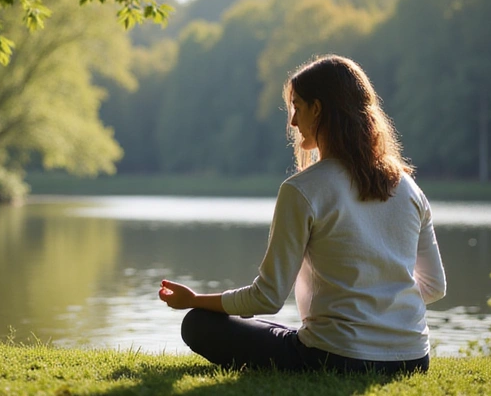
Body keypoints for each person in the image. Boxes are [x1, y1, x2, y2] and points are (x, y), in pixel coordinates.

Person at [158, 54, 446, 374]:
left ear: (317, 109)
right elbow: (435, 286)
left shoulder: (303, 189)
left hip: (336, 358)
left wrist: (194, 300)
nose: (293, 122)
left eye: (296, 107)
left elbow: (267, 297)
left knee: (198, 323)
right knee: (274, 329)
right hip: (412, 360)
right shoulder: (408, 188)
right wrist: (381, 308)